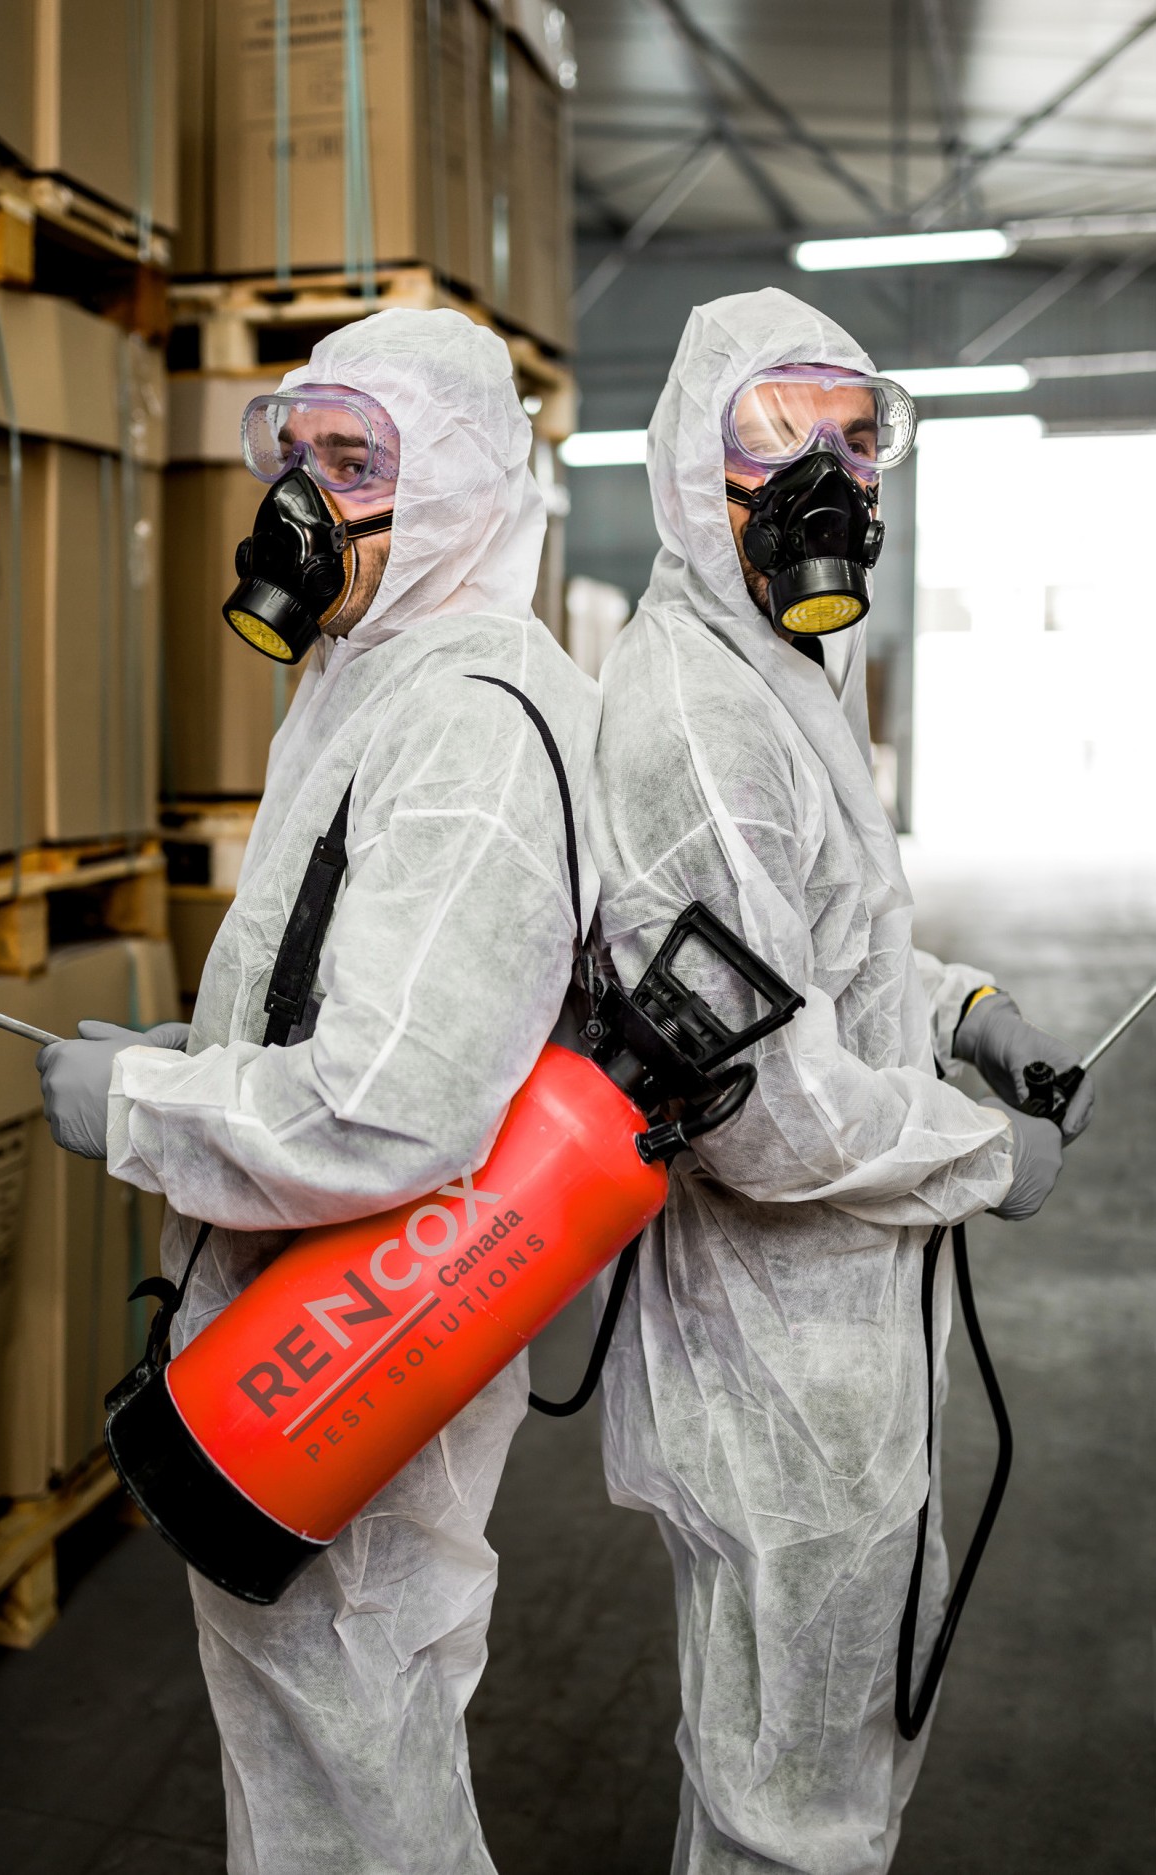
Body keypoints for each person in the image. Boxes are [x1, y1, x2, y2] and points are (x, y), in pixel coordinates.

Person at [37, 307, 600, 1875]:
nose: (302, 497)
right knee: (327, 1755)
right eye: (296, 454)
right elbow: (356, 975)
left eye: (355, 462)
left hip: (364, 1321)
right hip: (312, 1304)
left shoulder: (472, 723)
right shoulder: (374, 674)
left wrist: (143, 1105)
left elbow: (395, 1108)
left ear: (463, 488)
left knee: (358, 1766)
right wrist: (210, 1040)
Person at [588, 288, 1094, 1875]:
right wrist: (985, 1155)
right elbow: (762, 1102)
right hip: (780, 1347)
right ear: (694, 466)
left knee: (794, 1762)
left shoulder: (782, 670)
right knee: (793, 1806)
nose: (827, 475)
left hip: (830, 1323)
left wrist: (966, 1012)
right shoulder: (698, 722)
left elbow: (815, 951)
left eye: (857, 436)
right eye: (773, 431)